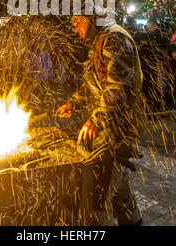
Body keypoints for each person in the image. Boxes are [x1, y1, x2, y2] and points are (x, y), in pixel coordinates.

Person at [56, 13, 147, 226]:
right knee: (117, 182)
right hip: (111, 121)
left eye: (77, 23)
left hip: (117, 125)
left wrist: (96, 121)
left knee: (99, 194)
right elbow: (95, 83)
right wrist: (74, 102)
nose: (76, 30)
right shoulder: (101, 38)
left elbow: (118, 89)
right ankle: (133, 222)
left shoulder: (114, 39)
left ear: (89, 17)